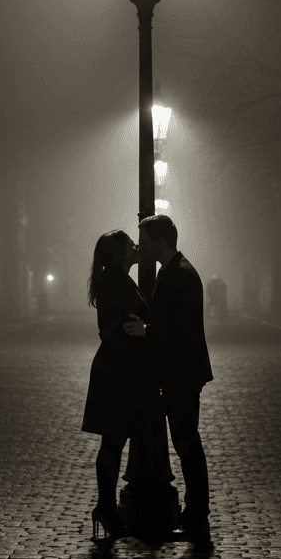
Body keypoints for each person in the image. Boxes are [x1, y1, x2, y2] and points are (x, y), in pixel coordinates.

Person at [123, 214, 214, 546]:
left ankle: (197, 512)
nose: (141, 247)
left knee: (187, 442)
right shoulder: (177, 270)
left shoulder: (180, 275)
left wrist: (145, 331)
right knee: (186, 440)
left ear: (160, 243)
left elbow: (178, 328)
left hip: (182, 373)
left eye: (145, 241)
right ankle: (195, 511)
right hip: (183, 371)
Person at [81, 229, 159, 540]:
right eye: (129, 244)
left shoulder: (117, 278)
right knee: (113, 442)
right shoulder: (116, 281)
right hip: (119, 371)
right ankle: (106, 508)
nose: (136, 246)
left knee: (113, 442)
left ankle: (107, 508)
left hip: (118, 368)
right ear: (118, 253)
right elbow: (113, 329)